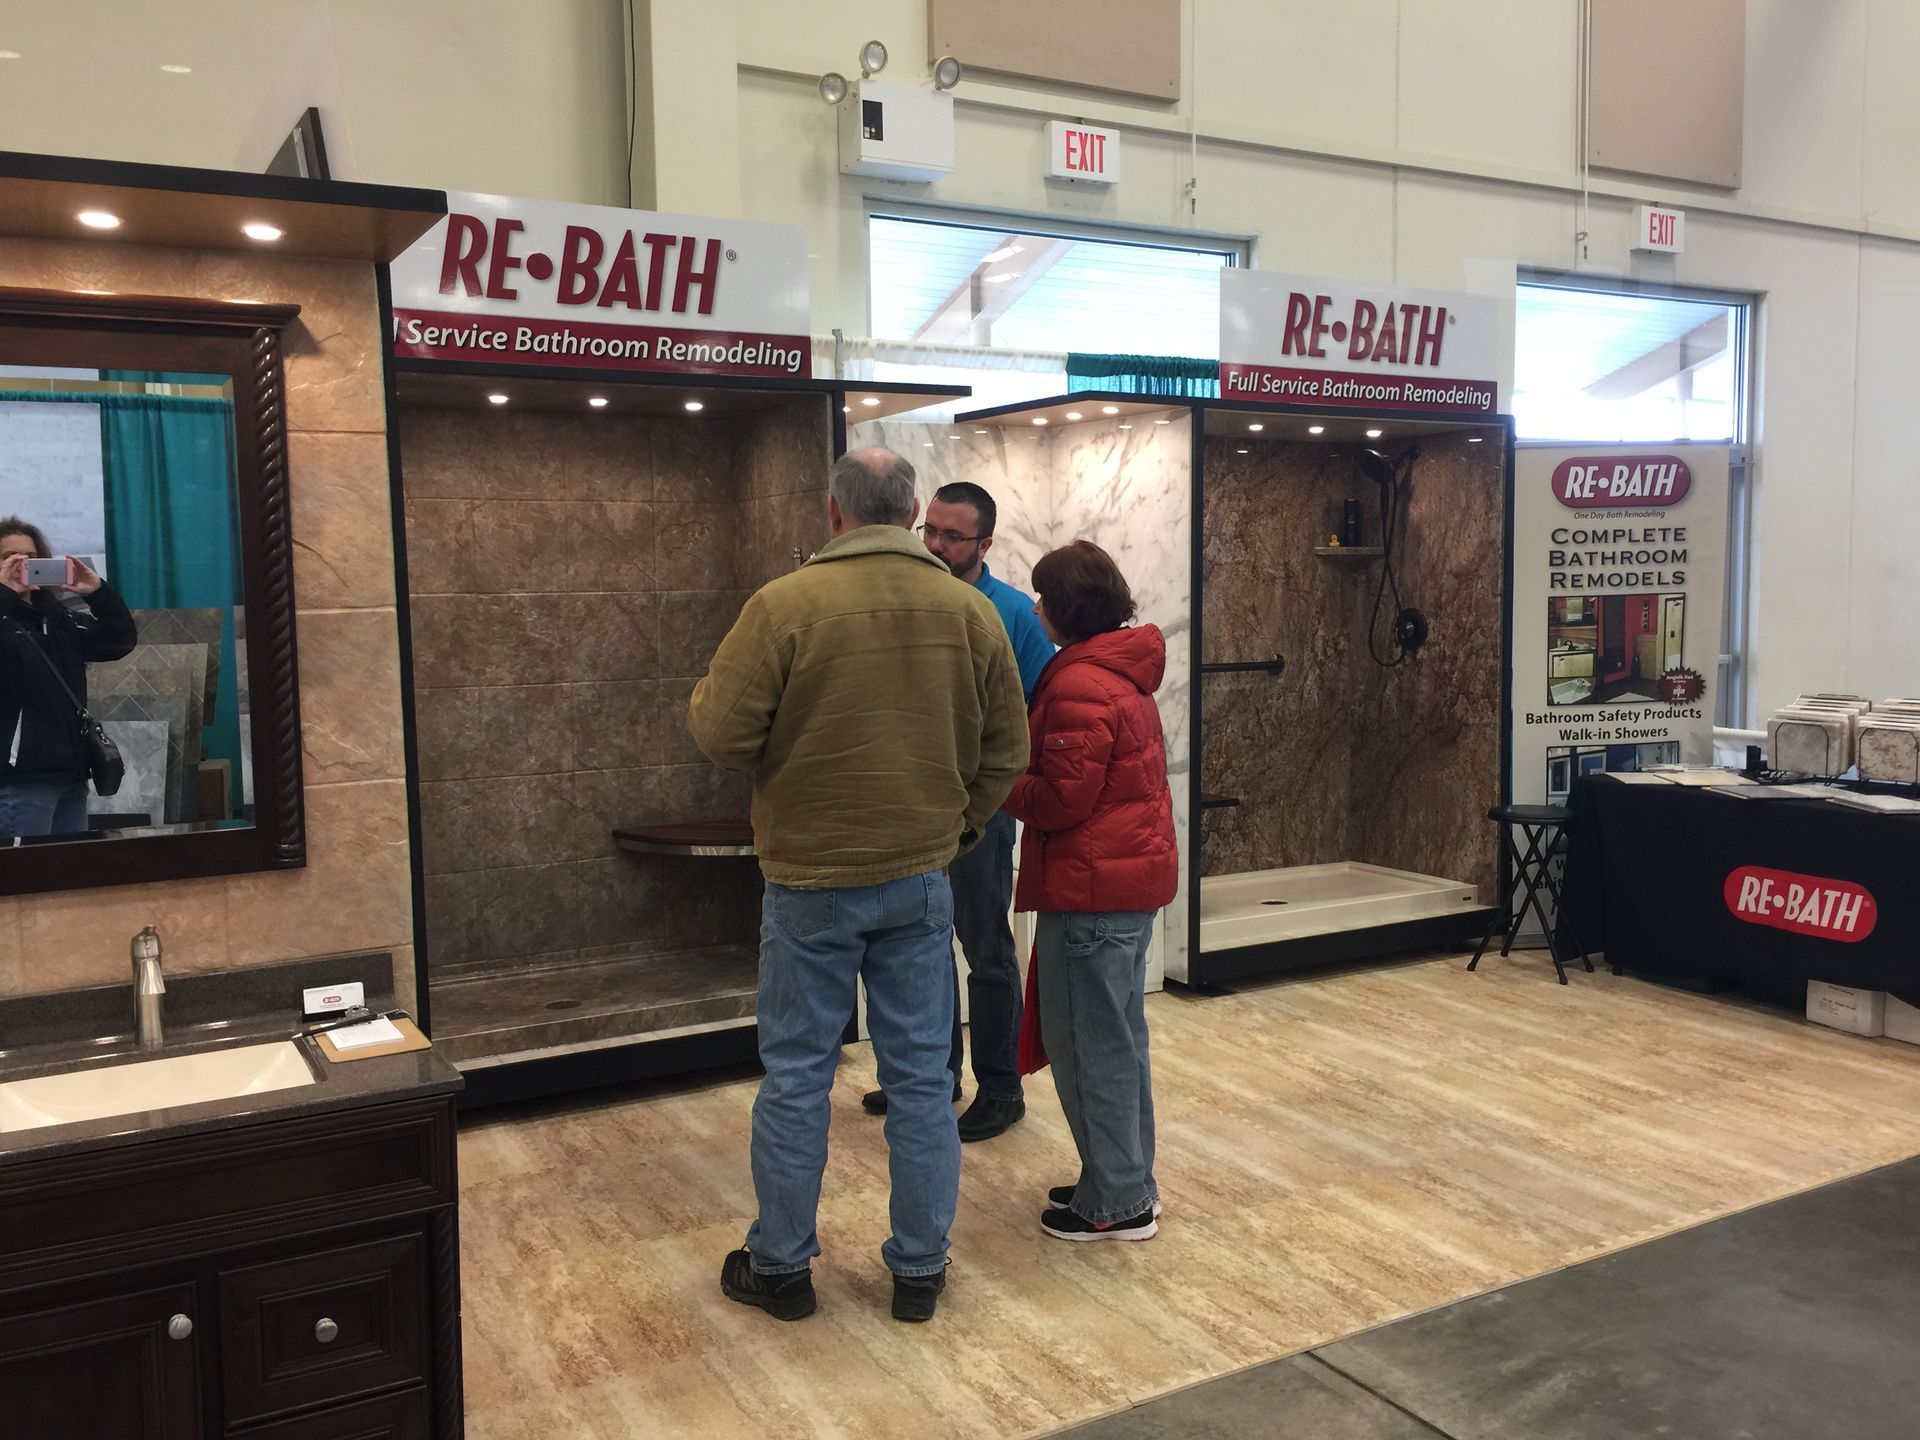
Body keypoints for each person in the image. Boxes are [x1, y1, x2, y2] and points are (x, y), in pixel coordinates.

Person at [689, 448, 1029, 1324]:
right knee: (921, 1080)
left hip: (807, 879)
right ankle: (919, 1271)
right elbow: (1007, 750)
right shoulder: (968, 611)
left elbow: (723, 734)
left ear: (835, 515)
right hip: (920, 877)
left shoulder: (782, 606)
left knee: (798, 1075)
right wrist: (956, 827)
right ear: (912, 513)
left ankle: (782, 1269)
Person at [861, 480, 1054, 1142]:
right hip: (912, 803)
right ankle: (933, 1078)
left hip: (981, 807)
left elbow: (1034, 716)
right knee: (921, 947)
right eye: (932, 532)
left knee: (985, 946)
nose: (939, 545)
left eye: (953, 536)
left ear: (985, 543)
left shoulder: (1013, 614)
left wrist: (992, 793)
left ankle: (1001, 1088)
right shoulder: (910, 598)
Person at [1003, 540, 1177, 1242]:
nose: (1036, 607)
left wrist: (996, 780)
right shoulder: (1118, 669)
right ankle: (1126, 1178)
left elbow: (1059, 803)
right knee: (1118, 1038)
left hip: (1092, 889)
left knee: (1090, 1043)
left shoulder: (1080, 683)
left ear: (1063, 607)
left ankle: (1116, 1204)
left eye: (1043, 597)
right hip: (1123, 883)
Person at [0, 518, 136, 840]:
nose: (23, 564)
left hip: (71, 776)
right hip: (18, 780)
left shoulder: (58, 619)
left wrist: (97, 592)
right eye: (10, 556)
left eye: (31, 556)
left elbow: (119, 640)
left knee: (66, 878)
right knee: (26, 879)